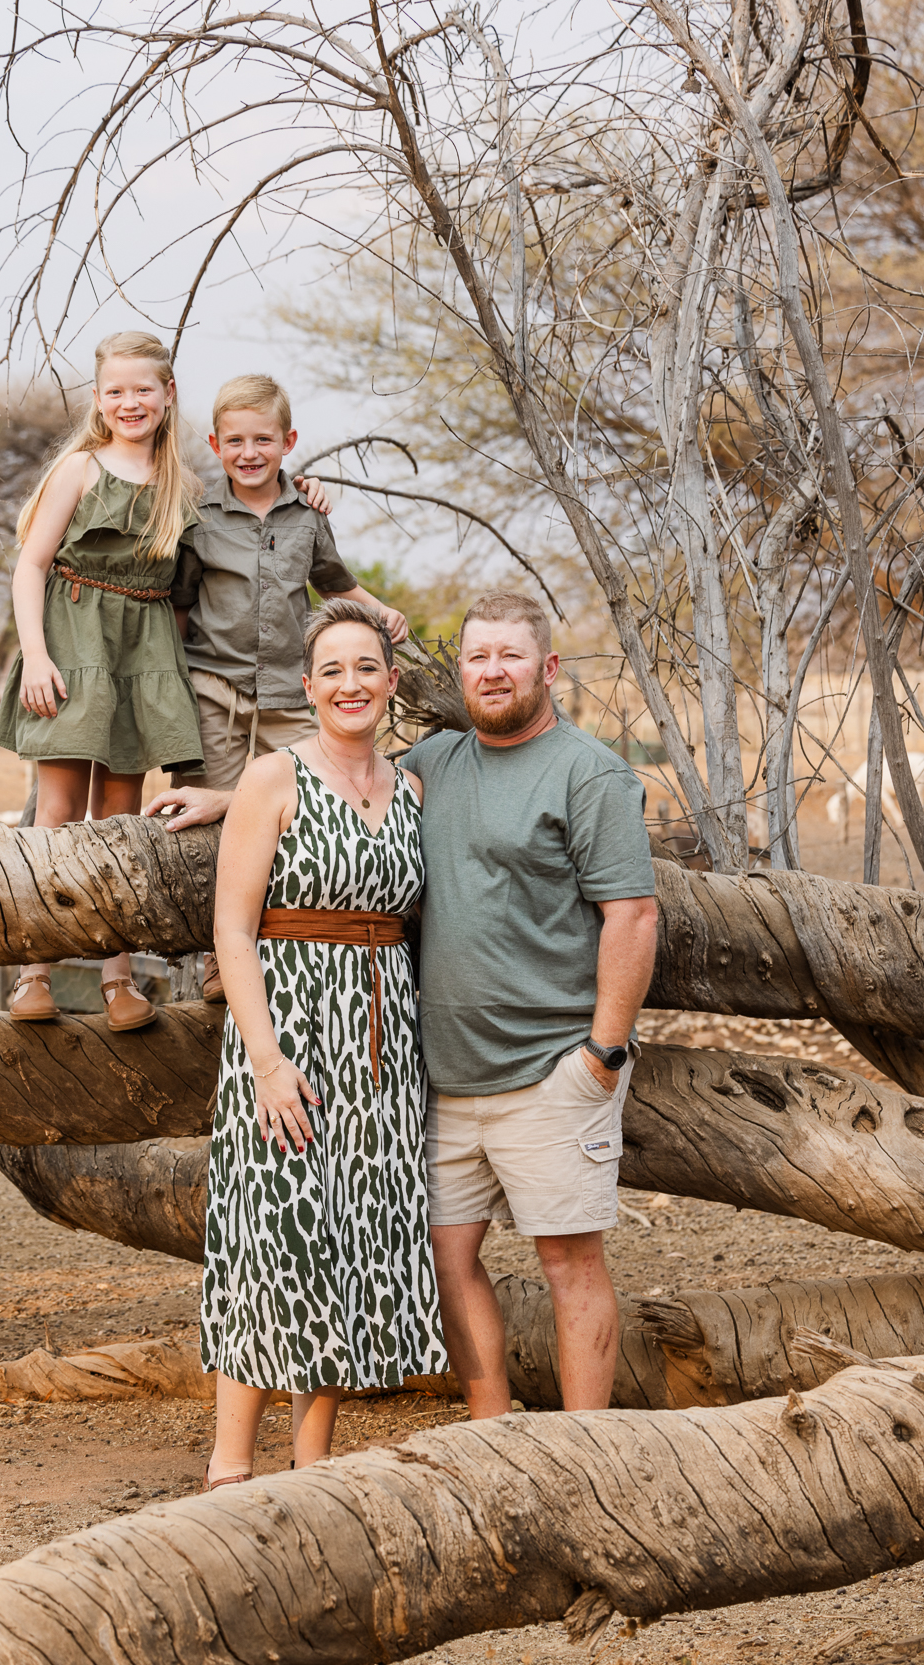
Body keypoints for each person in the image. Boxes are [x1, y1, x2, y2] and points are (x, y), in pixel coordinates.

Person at [199, 599, 446, 1487]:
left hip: (382, 1050)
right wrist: (265, 1063)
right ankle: (229, 1468)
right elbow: (232, 931)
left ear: (389, 683)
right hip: (288, 1035)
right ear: (308, 688)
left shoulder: (414, 790)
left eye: (367, 668)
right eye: (332, 670)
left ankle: (312, 1472)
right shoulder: (273, 781)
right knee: (274, 1234)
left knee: (353, 1233)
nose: (351, 684)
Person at [401, 590, 659, 1414]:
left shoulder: (590, 773)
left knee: (568, 1265)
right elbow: (333, 784)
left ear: (546, 667)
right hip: (445, 1076)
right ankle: (492, 1432)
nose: (492, 671)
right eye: (478, 656)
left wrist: (601, 1055)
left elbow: (632, 914)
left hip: (553, 1070)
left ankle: (583, 1448)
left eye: (510, 655)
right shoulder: (434, 760)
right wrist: (228, 801)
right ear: (461, 671)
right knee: (447, 1258)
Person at [152, 373, 408, 1001]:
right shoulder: (199, 518)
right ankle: (217, 960)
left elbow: (332, 582)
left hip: (292, 697)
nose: (249, 452)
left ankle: (291, 941)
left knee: (302, 811)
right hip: (216, 686)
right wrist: (173, 690)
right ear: (215, 444)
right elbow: (180, 606)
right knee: (209, 816)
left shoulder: (307, 515)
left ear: (288, 441)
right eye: (235, 440)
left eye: (262, 439)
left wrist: (382, 614)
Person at [0, 329, 205, 1031]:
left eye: (143, 388)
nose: (130, 401)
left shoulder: (182, 484)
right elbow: (31, 565)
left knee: (120, 819)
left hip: (141, 652)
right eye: (115, 390)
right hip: (73, 641)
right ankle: (33, 974)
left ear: (168, 395)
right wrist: (37, 655)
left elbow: (184, 589)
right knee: (54, 813)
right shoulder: (81, 468)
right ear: (98, 399)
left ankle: (119, 981)